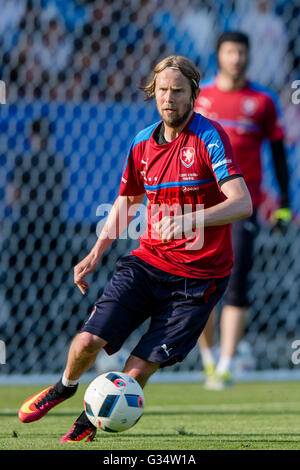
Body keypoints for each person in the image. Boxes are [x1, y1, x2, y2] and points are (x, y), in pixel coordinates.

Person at [18, 55, 252, 442]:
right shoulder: (142, 142)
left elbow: (241, 203)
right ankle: (64, 386)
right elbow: (126, 201)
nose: (169, 98)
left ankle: (89, 420)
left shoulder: (209, 137)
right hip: (148, 262)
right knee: (87, 341)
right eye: (162, 90)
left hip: (200, 278)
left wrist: (189, 220)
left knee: (138, 368)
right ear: (152, 93)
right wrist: (95, 252)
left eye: (178, 91)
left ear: (194, 94)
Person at [194, 31, 291, 390]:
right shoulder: (199, 96)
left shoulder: (262, 100)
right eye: (230, 52)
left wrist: (284, 204)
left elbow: (279, 154)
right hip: (200, 204)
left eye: (241, 52)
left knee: (236, 283)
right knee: (199, 283)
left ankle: (227, 364)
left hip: (241, 206)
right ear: (219, 55)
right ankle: (207, 357)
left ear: (249, 56)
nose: (236, 58)